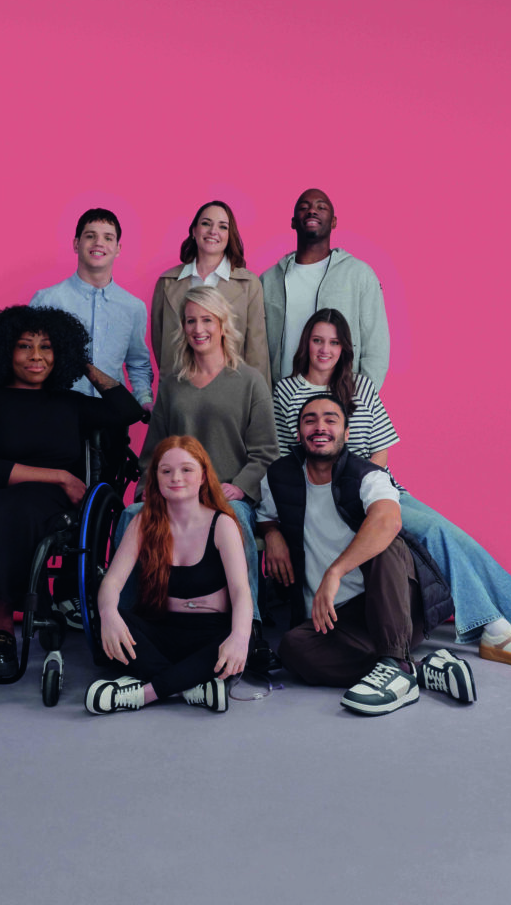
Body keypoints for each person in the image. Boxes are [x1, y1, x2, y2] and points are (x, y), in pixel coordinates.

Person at [272, 309, 511, 670]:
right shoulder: (287, 391)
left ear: (344, 349)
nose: (325, 349)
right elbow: (283, 455)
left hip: (376, 489)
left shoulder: (360, 385)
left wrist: (368, 486)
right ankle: (497, 627)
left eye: (334, 342)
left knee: (451, 535)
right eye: (318, 340)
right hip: (329, 496)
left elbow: (381, 446)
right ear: (306, 343)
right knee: (434, 532)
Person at [0, 305, 146, 678]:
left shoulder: (69, 404)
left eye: (48, 347)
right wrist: (61, 477)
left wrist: (80, 363)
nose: (36, 357)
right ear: (5, 351)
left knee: (10, 512)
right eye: (25, 346)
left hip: (38, 502)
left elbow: (128, 411)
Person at [257, 394, 469, 715]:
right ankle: (420, 670)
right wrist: (272, 535)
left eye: (331, 419)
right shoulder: (279, 476)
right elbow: (267, 517)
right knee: (292, 648)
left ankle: (396, 666)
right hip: (338, 619)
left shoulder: (368, 475)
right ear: (298, 432)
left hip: (393, 603)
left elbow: (388, 520)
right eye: (310, 420)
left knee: (386, 546)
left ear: (347, 432)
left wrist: (335, 571)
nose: (320, 427)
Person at [119, 287, 278, 662]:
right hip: (174, 494)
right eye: (191, 320)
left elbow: (266, 453)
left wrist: (239, 487)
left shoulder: (250, 381)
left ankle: (248, 632)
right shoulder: (172, 383)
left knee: (234, 523)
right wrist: (146, 490)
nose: (198, 328)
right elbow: (154, 450)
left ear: (222, 325)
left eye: (206, 319)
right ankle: (124, 627)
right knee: (129, 518)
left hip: (225, 497)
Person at [84, 436, 254, 714]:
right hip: (161, 631)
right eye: (166, 471)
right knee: (107, 621)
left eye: (186, 469)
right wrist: (109, 615)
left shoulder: (222, 523)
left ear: (202, 476)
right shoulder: (143, 521)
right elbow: (112, 581)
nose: (176, 477)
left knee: (242, 636)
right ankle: (193, 686)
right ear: (156, 478)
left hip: (209, 633)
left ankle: (145, 693)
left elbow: (240, 591)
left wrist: (239, 636)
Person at [260, 188, 390, 389]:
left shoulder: (359, 274)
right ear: (293, 222)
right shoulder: (269, 280)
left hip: (341, 401)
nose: (312, 211)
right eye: (304, 207)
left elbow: (376, 345)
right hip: (284, 402)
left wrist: (360, 401)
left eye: (321, 207)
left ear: (334, 221)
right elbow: (257, 347)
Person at [31, 207, 154, 409]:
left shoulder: (134, 307)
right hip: (57, 412)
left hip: (113, 415)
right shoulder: (47, 299)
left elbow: (138, 362)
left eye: (108, 238)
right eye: (90, 236)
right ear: (76, 244)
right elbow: (28, 358)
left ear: (118, 249)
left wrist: (145, 400)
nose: (99, 243)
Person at [151, 200, 270, 385]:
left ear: (229, 235)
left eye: (222, 227)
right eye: (206, 223)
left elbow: (257, 352)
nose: (213, 231)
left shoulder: (249, 285)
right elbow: (161, 345)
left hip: (231, 391)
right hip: (179, 391)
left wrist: (257, 403)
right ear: (194, 230)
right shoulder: (167, 283)